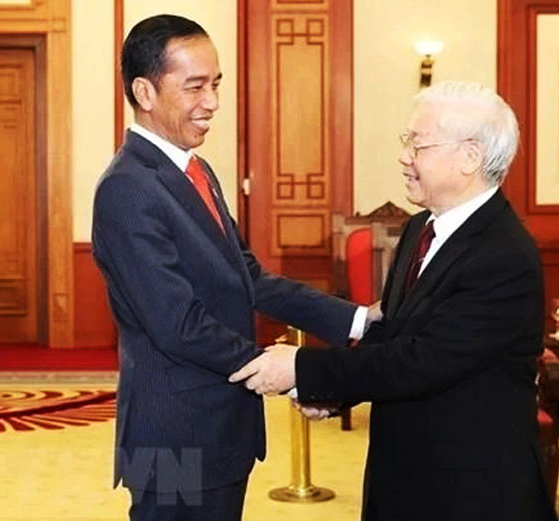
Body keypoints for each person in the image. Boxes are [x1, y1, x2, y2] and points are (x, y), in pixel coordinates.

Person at [231, 81, 558, 521]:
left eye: (418, 144)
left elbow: (422, 361)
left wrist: (302, 368)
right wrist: (336, 395)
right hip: (406, 474)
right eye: (407, 142)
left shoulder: (503, 255)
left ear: (470, 157)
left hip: (471, 487)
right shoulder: (420, 228)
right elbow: (394, 333)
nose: (404, 157)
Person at [92, 14, 373, 521]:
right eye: (195, 86)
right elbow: (178, 325)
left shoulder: (195, 170)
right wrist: (293, 377)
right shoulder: (128, 187)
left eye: (216, 84)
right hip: (174, 438)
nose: (213, 102)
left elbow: (249, 279)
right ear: (145, 92)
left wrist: (355, 320)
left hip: (220, 431)